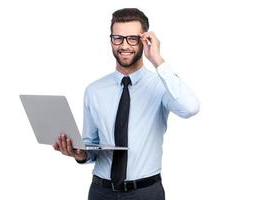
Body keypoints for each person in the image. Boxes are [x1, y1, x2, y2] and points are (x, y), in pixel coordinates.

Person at [53, 8, 200, 200]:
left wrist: (157, 60)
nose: (124, 45)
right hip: (100, 192)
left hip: (145, 192)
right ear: (111, 40)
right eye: (118, 38)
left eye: (132, 38)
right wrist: (79, 153)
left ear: (144, 40)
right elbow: (91, 145)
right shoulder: (94, 90)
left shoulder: (161, 85)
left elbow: (190, 108)